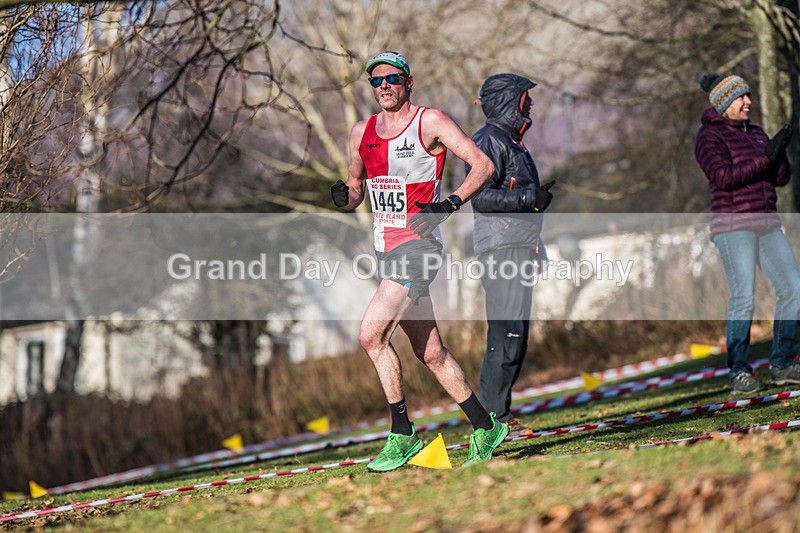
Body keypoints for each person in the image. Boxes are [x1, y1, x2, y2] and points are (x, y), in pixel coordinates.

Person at [330, 51, 507, 471]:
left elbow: (483, 165)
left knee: (371, 337)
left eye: (392, 78)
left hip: (418, 249)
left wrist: (449, 203)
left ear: (409, 82)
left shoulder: (431, 121)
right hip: (384, 251)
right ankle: (486, 426)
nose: (384, 86)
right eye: (376, 81)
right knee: (431, 354)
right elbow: (356, 187)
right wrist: (345, 197)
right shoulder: (361, 132)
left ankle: (402, 434)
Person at [695, 70, 800, 395]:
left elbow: (779, 179)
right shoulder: (709, 137)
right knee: (743, 297)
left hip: (766, 223)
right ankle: (739, 371)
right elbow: (723, 177)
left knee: (794, 290)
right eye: (742, 97)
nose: (748, 102)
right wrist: (764, 157)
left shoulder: (755, 133)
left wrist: (778, 151)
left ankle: (782, 362)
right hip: (733, 227)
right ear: (725, 103)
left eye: (749, 96)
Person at [467, 73, 554, 436]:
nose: (530, 103)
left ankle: (498, 417)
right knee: (505, 335)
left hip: (519, 247)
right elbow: (481, 198)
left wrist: (536, 242)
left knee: (516, 335)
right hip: (500, 250)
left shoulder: (513, 142)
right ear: (509, 101)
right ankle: (493, 422)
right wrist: (527, 199)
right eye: (524, 98)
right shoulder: (488, 141)